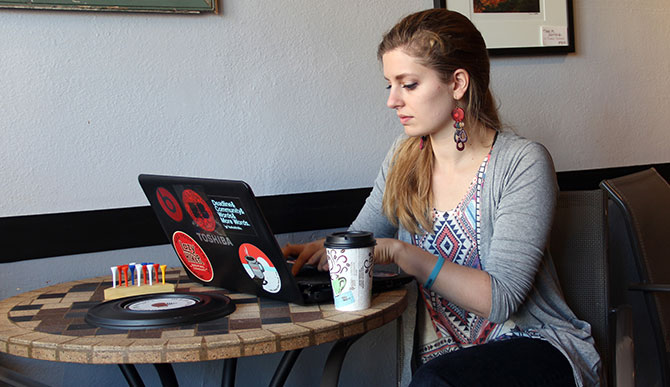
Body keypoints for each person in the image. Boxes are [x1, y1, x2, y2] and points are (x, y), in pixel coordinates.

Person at [282, 8, 600, 387]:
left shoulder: (522, 163)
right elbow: (363, 237)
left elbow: (500, 301)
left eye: (409, 84)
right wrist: (315, 249)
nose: (392, 101)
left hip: (534, 346)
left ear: (458, 83)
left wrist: (403, 254)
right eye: (390, 85)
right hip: (443, 363)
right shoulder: (403, 159)